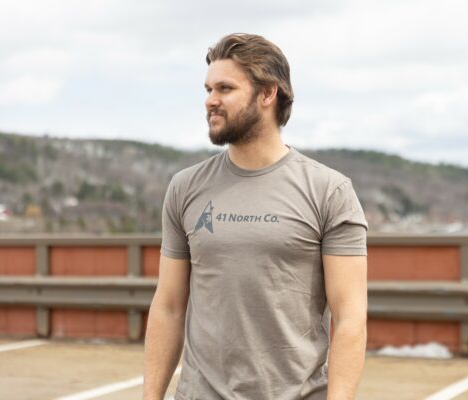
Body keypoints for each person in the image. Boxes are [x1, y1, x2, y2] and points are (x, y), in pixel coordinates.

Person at [142, 33, 369, 400]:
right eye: (208, 89)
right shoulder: (185, 187)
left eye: (225, 88)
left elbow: (350, 318)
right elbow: (168, 306)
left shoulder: (329, 191)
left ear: (268, 94)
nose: (210, 101)